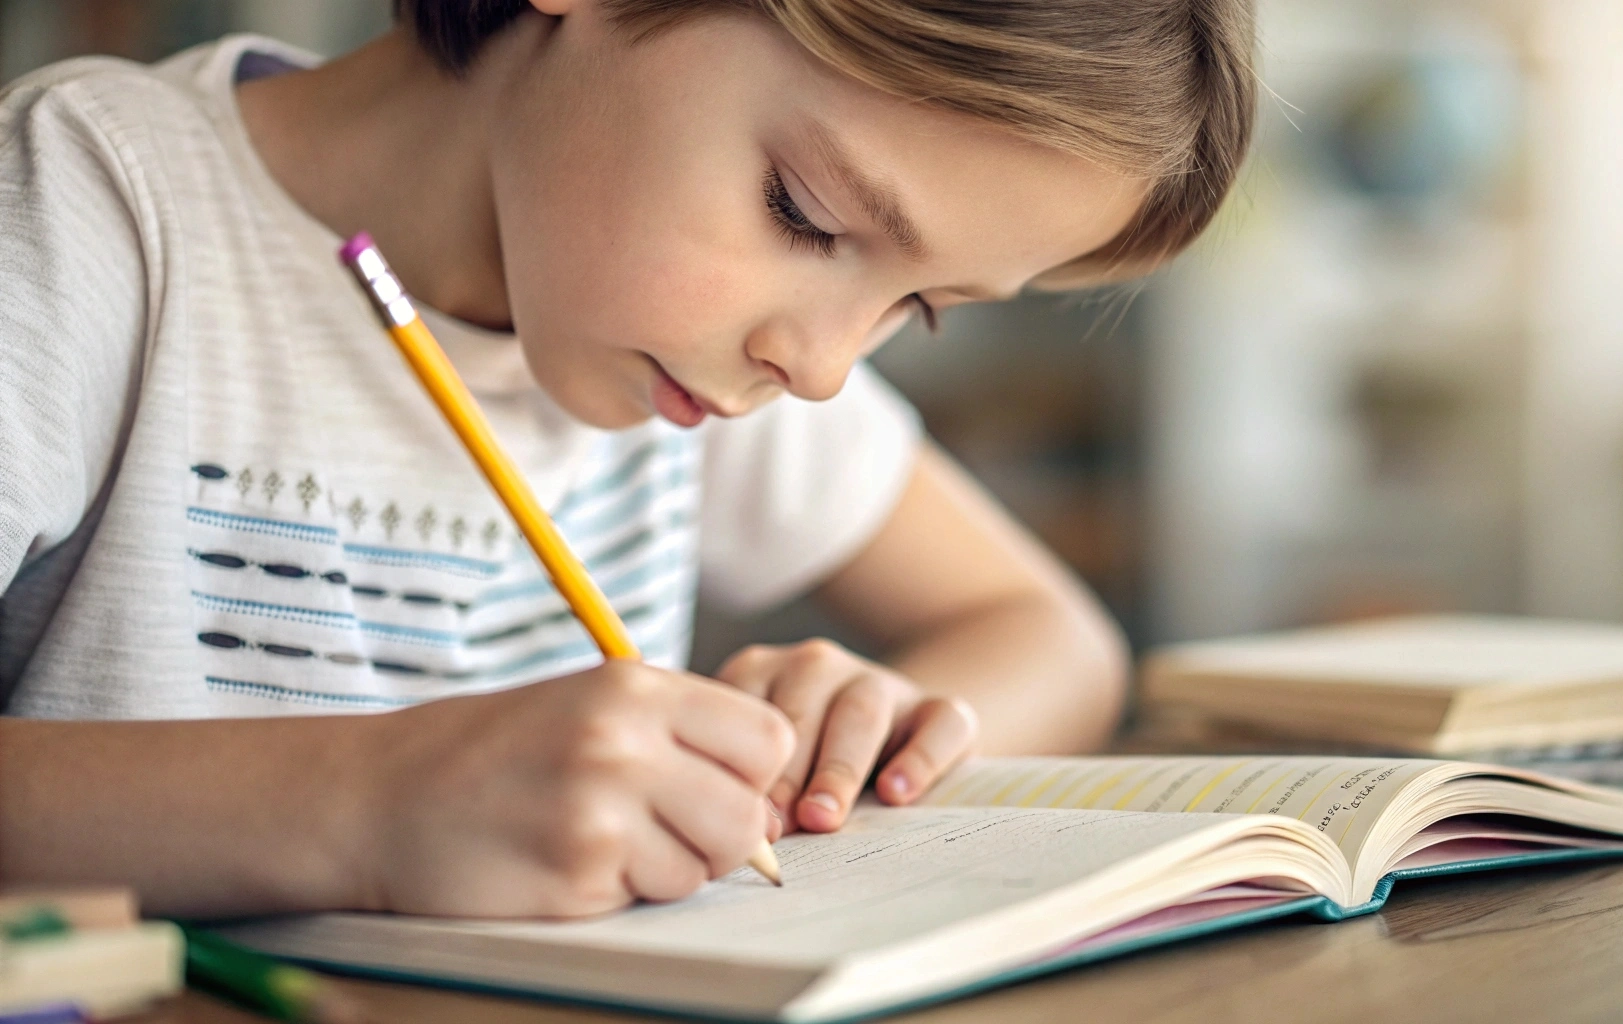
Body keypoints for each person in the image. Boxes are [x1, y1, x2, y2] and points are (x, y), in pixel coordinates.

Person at [0, 0, 1255, 918]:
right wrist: (364, 801)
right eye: (803, 216)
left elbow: (1054, 639)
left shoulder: (707, 344)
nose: (820, 368)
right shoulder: (87, 209)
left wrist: (877, 738)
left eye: (915, 307)